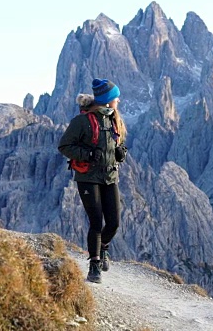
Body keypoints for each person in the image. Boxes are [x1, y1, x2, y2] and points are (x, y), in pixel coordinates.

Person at [58, 78, 127, 283]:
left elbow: (117, 143)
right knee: (96, 222)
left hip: (109, 176)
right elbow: (64, 146)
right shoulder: (82, 121)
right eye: (116, 98)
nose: (119, 101)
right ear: (107, 100)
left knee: (113, 222)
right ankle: (94, 266)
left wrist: (120, 152)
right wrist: (87, 154)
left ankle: (103, 247)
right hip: (88, 177)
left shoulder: (114, 119)